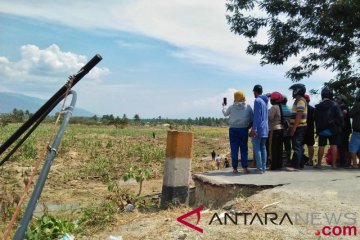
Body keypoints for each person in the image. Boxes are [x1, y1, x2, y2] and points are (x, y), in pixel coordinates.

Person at [223, 90, 253, 173]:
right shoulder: (248, 107)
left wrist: (224, 106)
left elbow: (225, 114)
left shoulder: (231, 107)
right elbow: (252, 119)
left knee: (234, 149)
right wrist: (248, 126)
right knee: (244, 149)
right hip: (243, 129)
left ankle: (235, 168)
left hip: (233, 130)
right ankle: (245, 168)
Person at [314, 88, 344, 169]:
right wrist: (340, 125)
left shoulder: (318, 106)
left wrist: (318, 129)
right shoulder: (335, 105)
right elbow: (340, 117)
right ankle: (334, 165)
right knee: (334, 146)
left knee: (321, 146)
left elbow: (315, 118)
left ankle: (319, 164)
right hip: (333, 129)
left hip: (322, 130)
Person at [287, 84, 307, 171]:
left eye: (294, 90)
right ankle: (301, 164)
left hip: (299, 127)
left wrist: (294, 128)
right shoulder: (298, 100)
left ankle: (295, 166)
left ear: (297, 91)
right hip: (298, 126)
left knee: (296, 146)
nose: (292, 92)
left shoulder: (301, 101)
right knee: (298, 146)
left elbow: (299, 115)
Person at [249, 85, 269, 174]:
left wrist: (254, 129)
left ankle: (259, 169)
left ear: (255, 92)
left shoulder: (257, 101)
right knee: (263, 148)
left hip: (258, 129)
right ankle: (264, 168)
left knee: (257, 149)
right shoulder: (265, 102)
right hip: (265, 128)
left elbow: (256, 116)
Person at [268, 92, 284, 170]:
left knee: (272, 148)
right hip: (280, 129)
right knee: (279, 148)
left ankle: (273, 165)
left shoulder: (274, 107)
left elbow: (270, 117)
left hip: (274, 129)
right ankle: (279, 164)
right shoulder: (280, 107)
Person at [335, 95, 352, 167]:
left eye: (338, 99)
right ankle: (346, 161)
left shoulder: (343, 106)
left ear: (342, 100)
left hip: (343, 129)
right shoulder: (342, 106)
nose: (336, 100)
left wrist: (339, 120)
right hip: (345, 129)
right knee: (344, 145)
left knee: (342, 145)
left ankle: (343, 162)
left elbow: (344, 113)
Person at [348, 89, 360, 168]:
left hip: (357, 130)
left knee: (353, 147)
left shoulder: (358, 105)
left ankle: (355, 164)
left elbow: (351, 114)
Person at [303, 94, 315, 166]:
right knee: (310, 146)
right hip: (310, 129)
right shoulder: (313, 109)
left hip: (302, 128)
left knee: (301, 145)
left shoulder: (301, 108)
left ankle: (300, 160)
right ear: (309, 100)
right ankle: (310, 161)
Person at [281, 96, 292, 166]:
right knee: (288, 146)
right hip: (288, 131)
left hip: (279, 131)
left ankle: (280, 160)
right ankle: (288, 161)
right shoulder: (290, 110)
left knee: (279, 146)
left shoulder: (279, 110)